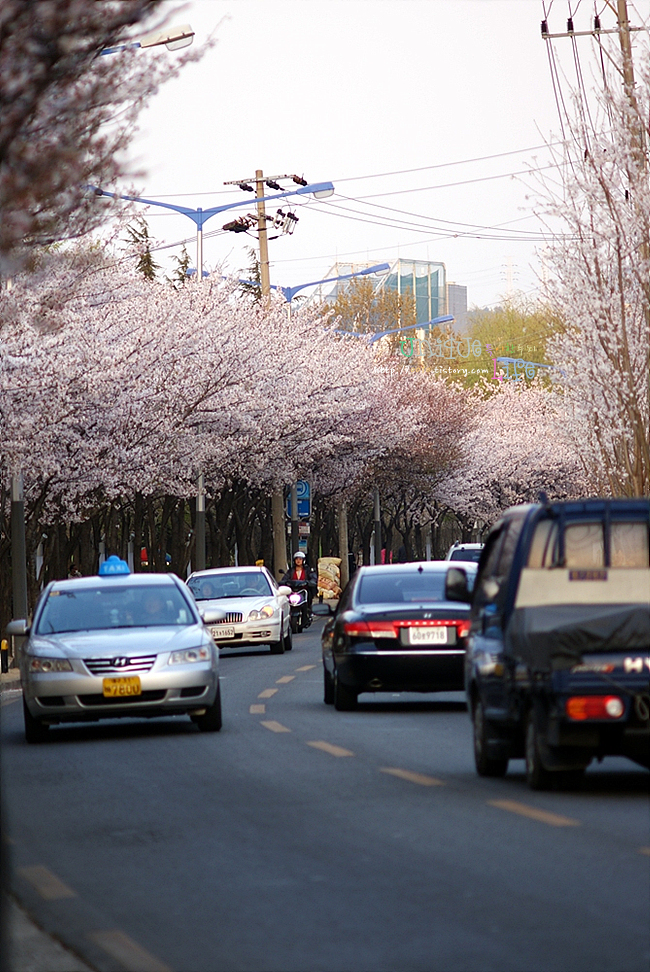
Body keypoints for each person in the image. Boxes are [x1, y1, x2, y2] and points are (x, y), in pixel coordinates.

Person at [282, 551, 317, 625]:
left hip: (304, 590)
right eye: (297, 559)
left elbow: (313, 578)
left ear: (303, 560)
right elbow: (285, 578)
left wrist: (310, 582)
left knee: (309, 596)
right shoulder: (291, 571)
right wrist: (283, 582)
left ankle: (308, 612)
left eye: (300, 559)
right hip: (293, 591)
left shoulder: (308, 570)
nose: (298, 561)